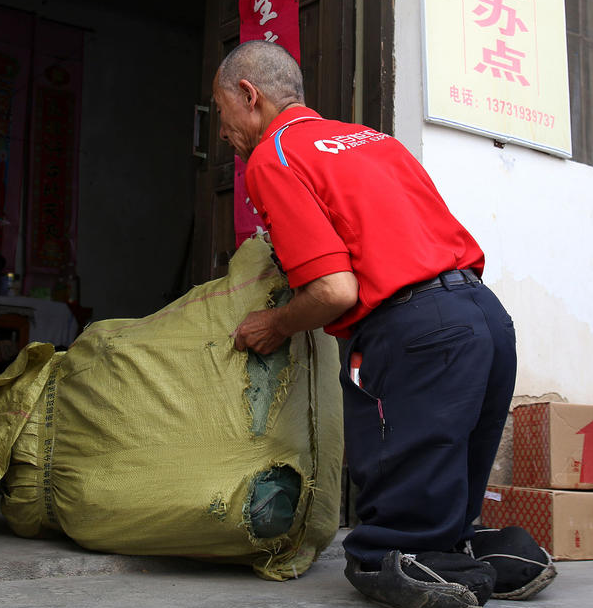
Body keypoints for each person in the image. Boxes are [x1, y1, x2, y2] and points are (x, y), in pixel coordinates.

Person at [215, 41, 555, 607]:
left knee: (391, 536)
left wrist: (276, 323)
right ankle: (478, 554)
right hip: (486, 317)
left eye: (221, 110)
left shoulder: (273, 156)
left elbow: (333, 289)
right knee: (447, 495)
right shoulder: (376, 141)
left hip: (416, 328)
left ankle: (415, 561)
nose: (222, 130)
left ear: (248, 95)